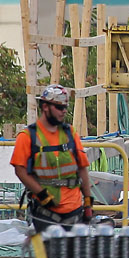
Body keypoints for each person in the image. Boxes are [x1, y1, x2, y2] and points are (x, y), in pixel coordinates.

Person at [13, 83, 92, 230]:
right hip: (45, 212)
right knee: (49, 252)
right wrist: (42, 194)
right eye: (59, 107)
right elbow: (20, 170)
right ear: (45, 107)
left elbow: (82, 168)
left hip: (74, 211)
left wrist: (87, 202)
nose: (63, 112)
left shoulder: (70, 134)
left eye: (65, 108)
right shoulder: (28, 136)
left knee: (74, 252)